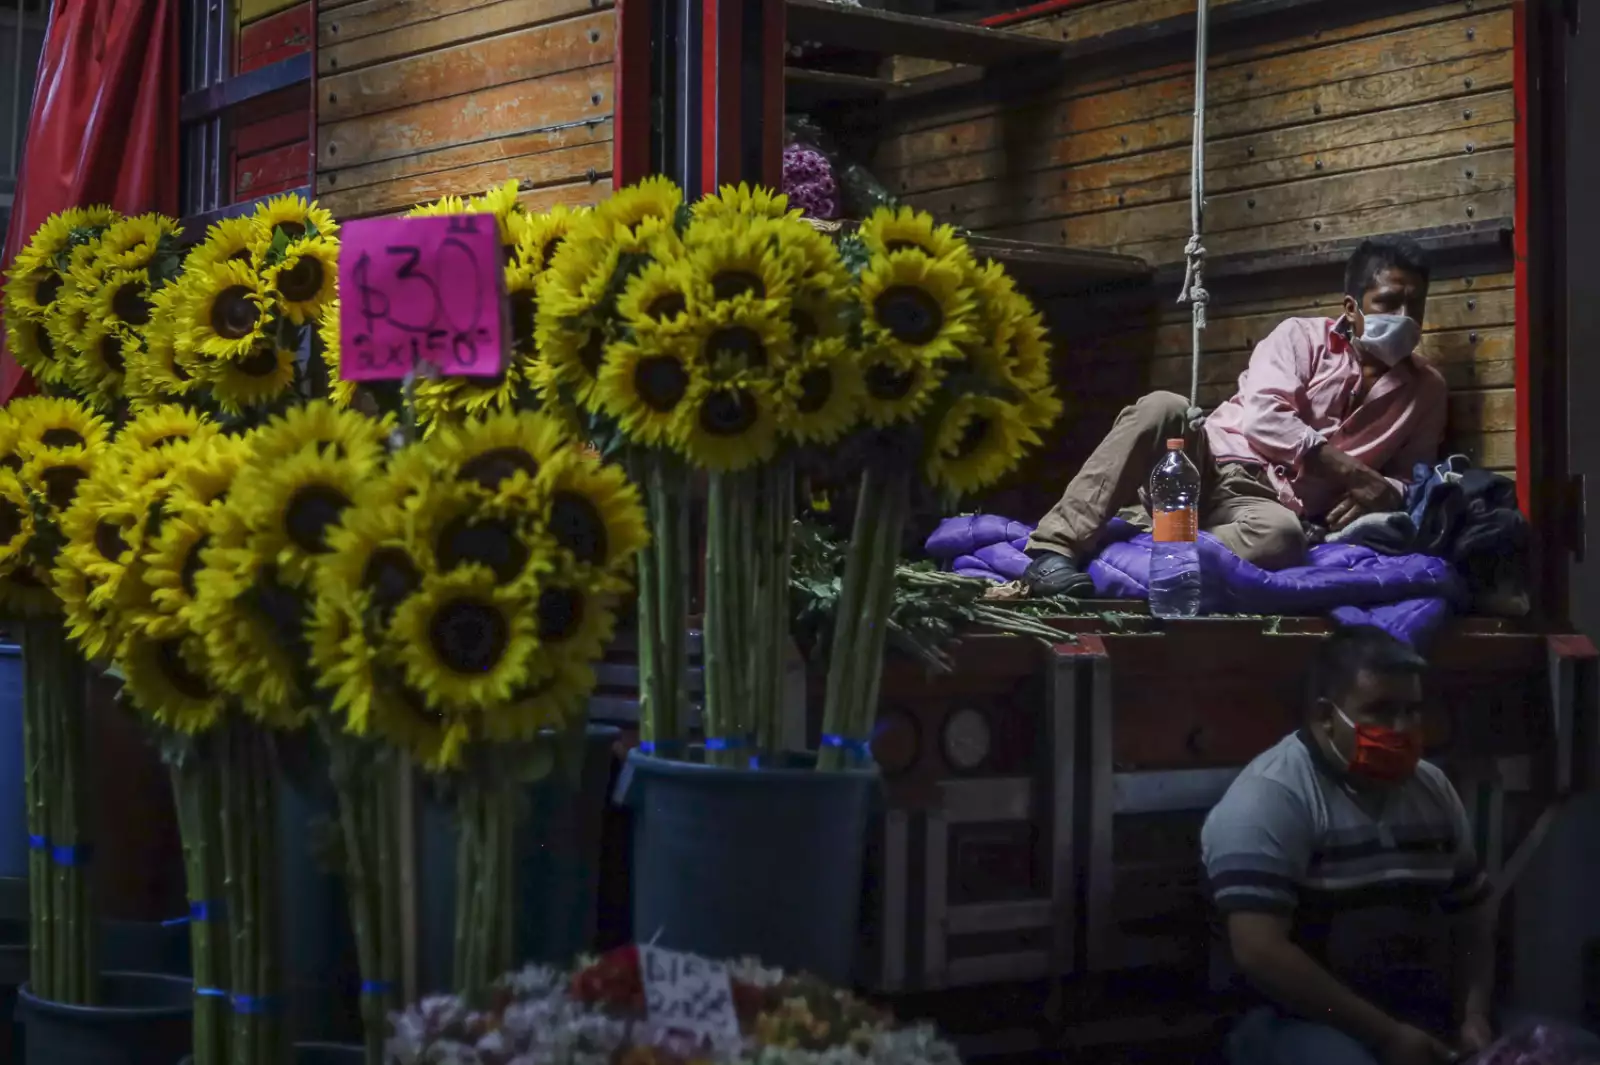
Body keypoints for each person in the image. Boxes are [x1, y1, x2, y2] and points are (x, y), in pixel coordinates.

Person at [1201, 626, 1600, 1065]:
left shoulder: (1431, 789)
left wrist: (1474, 1015)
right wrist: (1385, 1036)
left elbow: (1473, 917)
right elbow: (1260, 952)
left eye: (1412, 710)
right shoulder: (1272, 795)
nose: (1403, 728)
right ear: (1325, 716)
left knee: (1571, 1050)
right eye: (1381, 711)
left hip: (1415, 1013)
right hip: (1293, 1020)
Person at [1023, 237, 1448, 597]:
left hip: (1263, 507)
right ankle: (1052, 552)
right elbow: (1264, 418)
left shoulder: (1426, 389)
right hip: (1208, 466)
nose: (1405, 319)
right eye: (1389, 304)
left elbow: (1415, 477)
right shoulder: (1300, 337)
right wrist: (1354, 474)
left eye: (1416, 305)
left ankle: (1137, 547)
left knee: (1283, 539)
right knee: (1163, 407)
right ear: (1352, 308)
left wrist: (1383, 490)